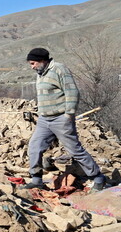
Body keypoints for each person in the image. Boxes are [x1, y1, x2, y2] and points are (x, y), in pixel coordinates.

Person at [22, 47, 105, 192]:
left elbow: (72, 92)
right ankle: (36, 179)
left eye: (33, 63)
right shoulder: (40, 73)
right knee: (34, 146)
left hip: (60, 118)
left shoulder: (59, 69)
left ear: (42, 61)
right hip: (44, 120)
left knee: (74, 150)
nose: (32, 66)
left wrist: (68, 115)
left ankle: (98, 177)